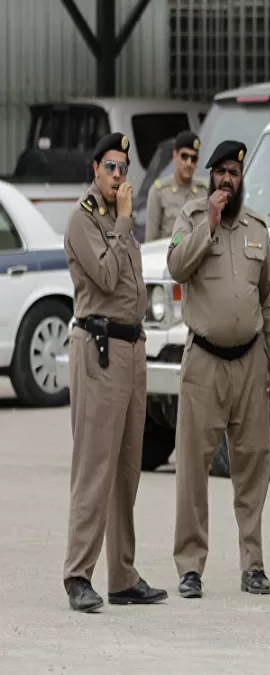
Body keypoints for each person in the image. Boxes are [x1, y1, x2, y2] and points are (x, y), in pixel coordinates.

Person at [167, 140, 270, 600]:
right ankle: (190, 567)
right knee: (193, 470)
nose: (226, 180)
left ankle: (253, 565)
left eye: (233, 174)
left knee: (253, 465)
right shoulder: (191, 218)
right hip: (204, 361)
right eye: (219, 172)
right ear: (210, 177)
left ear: (241, 179)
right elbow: (177, 266)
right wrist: (210, 225)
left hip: (249, 360)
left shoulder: (258, 228)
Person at [62, 131, 167, 612]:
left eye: (124, 168)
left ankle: (122, 576)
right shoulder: (84, 220)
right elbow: (104, 278)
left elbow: (132, 287)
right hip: (99, 347)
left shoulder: (116, 219)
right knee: (95, 468)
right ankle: (78, 574)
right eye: (110, 167)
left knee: (127, 468)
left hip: (131, 346)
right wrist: (125, 220)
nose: (118, 175)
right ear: (94, 170)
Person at [145, 131, 207, 242]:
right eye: (184, 156)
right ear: (175, 156)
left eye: (193, 158)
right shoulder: (159, 191)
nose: (189, 163)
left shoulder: (205, 191)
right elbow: (151, 241)